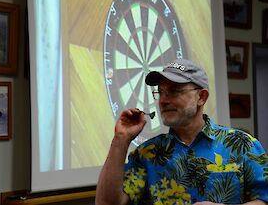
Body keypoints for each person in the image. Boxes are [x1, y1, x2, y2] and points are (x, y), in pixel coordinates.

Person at [95, 58, 268, 205]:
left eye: (174, 91)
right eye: (160, 92)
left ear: (201, 97)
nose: (163, 100)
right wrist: (121, 139)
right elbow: (107, 203)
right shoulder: (147, 154)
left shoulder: (242, 144)